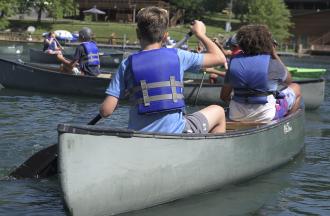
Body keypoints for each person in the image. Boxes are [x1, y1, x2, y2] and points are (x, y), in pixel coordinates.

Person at [100, 6, 227, 134]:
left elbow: (106, 111)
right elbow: (220, 58)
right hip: (176, 132)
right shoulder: (179, 56)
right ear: (165, 36)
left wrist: (112, 104)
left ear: (138, 33)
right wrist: (200, 34)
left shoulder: (126, 64)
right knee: (219, 111)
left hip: (139, 135)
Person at [220, 24, 302, 122]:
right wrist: (274, 54)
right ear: (266, 43)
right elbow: (288, 81)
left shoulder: (234, 61)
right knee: (296, 87)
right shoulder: (271, 62)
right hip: (265, 115)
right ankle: (287, 125)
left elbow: (224, 96)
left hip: (236, 115)